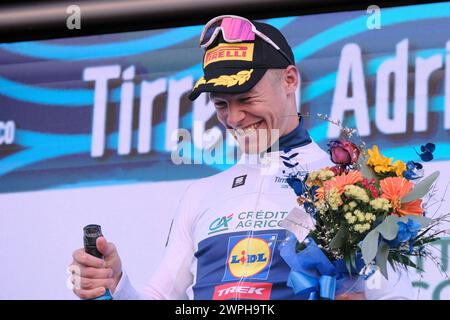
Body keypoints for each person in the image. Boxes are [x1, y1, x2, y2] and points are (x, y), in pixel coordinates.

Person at [69, 15, 414, 300]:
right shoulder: (201, 193)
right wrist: (116, 284)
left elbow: (395, 292)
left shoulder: (355, 185)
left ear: (290, 80)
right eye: (221, 104)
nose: (233, 119)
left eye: (246, 99)